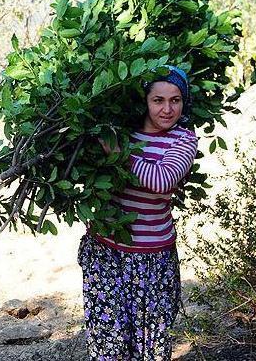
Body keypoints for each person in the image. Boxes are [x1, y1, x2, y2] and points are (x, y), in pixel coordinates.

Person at [80, 66, 198, 360]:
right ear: (145, 101)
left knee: (150, 345)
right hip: (105, 251)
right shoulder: (120, 131)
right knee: (107, 341)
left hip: (152, 258)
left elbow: (163, 181)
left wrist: (119, 153)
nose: (167, 109)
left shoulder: (184, 139)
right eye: (158, 100)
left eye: (175, 100)